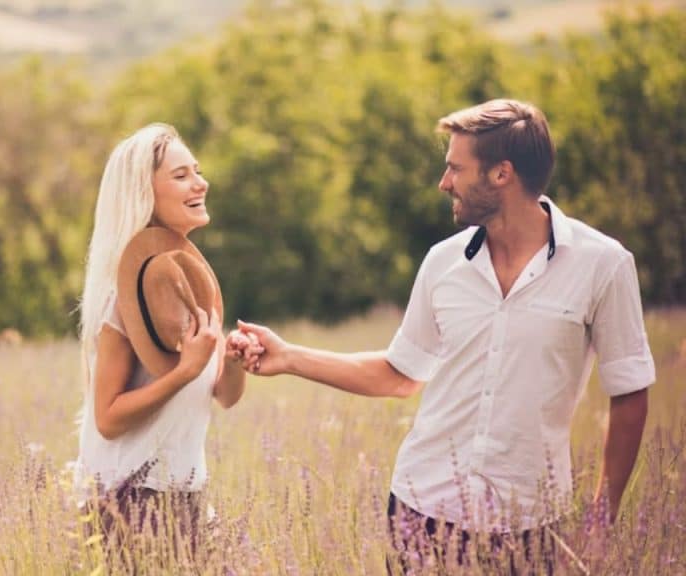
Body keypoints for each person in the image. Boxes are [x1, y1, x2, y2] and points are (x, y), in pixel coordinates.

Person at [235, 99, 653, 573]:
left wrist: (602, 518)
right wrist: (288, 356)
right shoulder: (443, 262)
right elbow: (399, 375)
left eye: (456, 168)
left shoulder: (603, 264)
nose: (444, 182)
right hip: (422, 510)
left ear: (502, 174)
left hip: (531, 524)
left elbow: (630, 393)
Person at [74, 123, 257, 566]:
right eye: (181, 176)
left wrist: (232, 360)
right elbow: (108, 419)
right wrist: (183, 372)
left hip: (186, 495)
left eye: (196, 170)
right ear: (144, 192)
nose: (201, 182)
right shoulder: (125, 297)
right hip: (127, 503)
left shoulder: (185, 285)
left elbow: (224, 397)